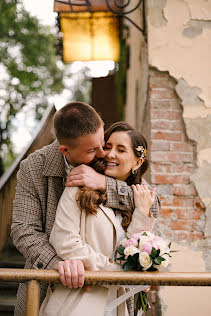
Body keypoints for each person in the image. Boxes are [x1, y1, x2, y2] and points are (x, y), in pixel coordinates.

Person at [11, 102, 160, 316]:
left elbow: (152, 204)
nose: (104, 154)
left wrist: (104, 183)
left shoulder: (104, 161)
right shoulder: (33, 167)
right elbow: (23, 230)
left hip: (112, 297)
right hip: (53, 289)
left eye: (103, 143)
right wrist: (61, 265)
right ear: (65, 150)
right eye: (94, 149)